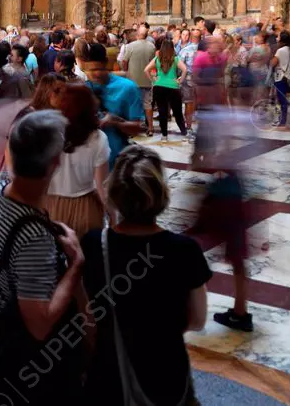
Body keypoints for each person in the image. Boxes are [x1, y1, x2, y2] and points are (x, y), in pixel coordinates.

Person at [81, 145, 210, 406]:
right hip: (166, 373)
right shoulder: (184, 251)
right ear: (161, 193)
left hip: (109, 373)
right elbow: (197, 320)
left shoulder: (93, 245)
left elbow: (87, 319)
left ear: (114, 194)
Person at [0, 110, 85, 401]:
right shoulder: (34, 236)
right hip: (28, 356)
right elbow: (39, 324)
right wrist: (76, 264)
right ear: (55, 162)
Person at [46, 83, 108, 238]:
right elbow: (102, 188)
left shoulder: (46, 134)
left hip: (51, 207)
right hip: (86, 208)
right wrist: (113, 217)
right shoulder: (98, 138)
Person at [84, 43, 144, 168]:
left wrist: (116, 122)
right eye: (91, 70)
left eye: (99, 69)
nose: (96, 74)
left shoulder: (127, 88)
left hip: (116, 162)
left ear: (106, 64)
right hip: (86, 166)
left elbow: (138, 128)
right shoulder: (82, 89)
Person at [144, 37, 187, 141]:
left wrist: (154, 80)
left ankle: (164, 135)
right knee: (177, 112)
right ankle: (183, 132)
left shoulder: (157, 59)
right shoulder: (175, 59)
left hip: (159, 87)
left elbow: (146, 70)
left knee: (162, 111)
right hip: (173, 87)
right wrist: (180, 80)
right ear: (172, 48)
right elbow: (185, 70)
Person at [120, 26, 156, 136]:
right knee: (147, 104)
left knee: (132, 104)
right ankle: (150, 128)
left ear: (137, 35)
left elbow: (124, 61)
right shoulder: (151, 46)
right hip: (146, 79)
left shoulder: (130, 46)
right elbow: (153, 63)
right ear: (147, 35)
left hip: (132, 80)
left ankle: (133, 129)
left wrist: (126, 71)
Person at [271, 32, 290, 128]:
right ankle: (281, 119)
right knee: (283, 99)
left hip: (280, 76)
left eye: (278, 36)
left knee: (281, 99)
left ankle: (282, 121)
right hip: (288, 76)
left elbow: (273, 63)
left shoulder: (280, 50)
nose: (277, 38)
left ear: (282, 39)